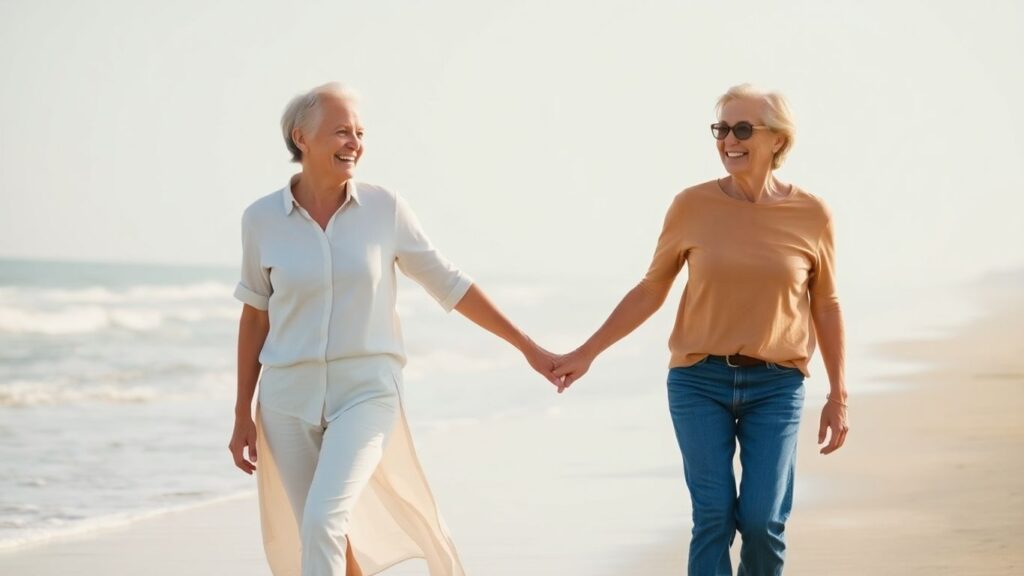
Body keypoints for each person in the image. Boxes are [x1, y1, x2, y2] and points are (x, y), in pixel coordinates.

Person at [227, 82, 560, 576]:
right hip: (285, 401)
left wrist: (528, 348)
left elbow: (450, 284)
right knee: (327, 539)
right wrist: (241, 414)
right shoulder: (260, 220)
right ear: (302, 137)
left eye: (360, 133)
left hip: (366, 394)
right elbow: (256, 315)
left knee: (322, 521)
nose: (355, 143)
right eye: (342, 131)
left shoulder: (386, 209)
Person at [553, 84, 849, 575]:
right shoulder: (691, 206)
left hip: (777, 385)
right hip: (698, 381)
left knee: (761, 521)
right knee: (712, 516)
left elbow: (826, 303)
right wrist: (588, 352)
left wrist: (839, 394)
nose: (728, 140)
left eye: (742, 129)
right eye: (721, 129)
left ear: (778, 140)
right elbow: (651, 289)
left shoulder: (812, 214)